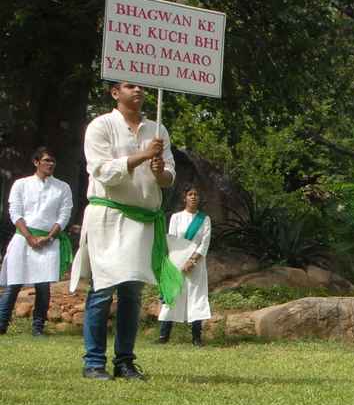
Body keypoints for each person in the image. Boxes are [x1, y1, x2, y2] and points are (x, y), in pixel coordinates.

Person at [70, 82, 179, 381]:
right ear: (115, 93)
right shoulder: (101, 125)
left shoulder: (157, 129)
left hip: (142, 220)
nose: (138, 90)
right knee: (103, 288)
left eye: (141, 86)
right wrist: (143, 156)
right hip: (109, 216)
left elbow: (168, 177)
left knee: (132, 292)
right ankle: (94, 362)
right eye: (130, 86)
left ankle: (125, 362)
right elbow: (102, 171)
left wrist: (159, 171)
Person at [0, 147, 73, 337]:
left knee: (43, 286)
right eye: (47, 160)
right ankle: (1, 325)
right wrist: (29, 237)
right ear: (36, 162)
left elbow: (64, 215)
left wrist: (49, 237)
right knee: (13, 283)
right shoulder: (21, 184)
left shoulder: (62, 187)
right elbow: (15, 212)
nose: (50, 164)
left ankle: (38, 328)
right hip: (23, 238)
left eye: (53, 161)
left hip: (48, 240)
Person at [156, 186, 212, 347]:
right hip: (177, 262)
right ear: (184, 198)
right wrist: (178, 262)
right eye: (190, 194)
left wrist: (192, 261)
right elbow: (172, 240)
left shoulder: (204, 219)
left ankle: (196, 337)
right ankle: (164, 336)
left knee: (196, 297)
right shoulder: (176, 217)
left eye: (196, 194)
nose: (193, 197)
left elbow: (205, 243)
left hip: (197, 265)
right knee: (172, 295)